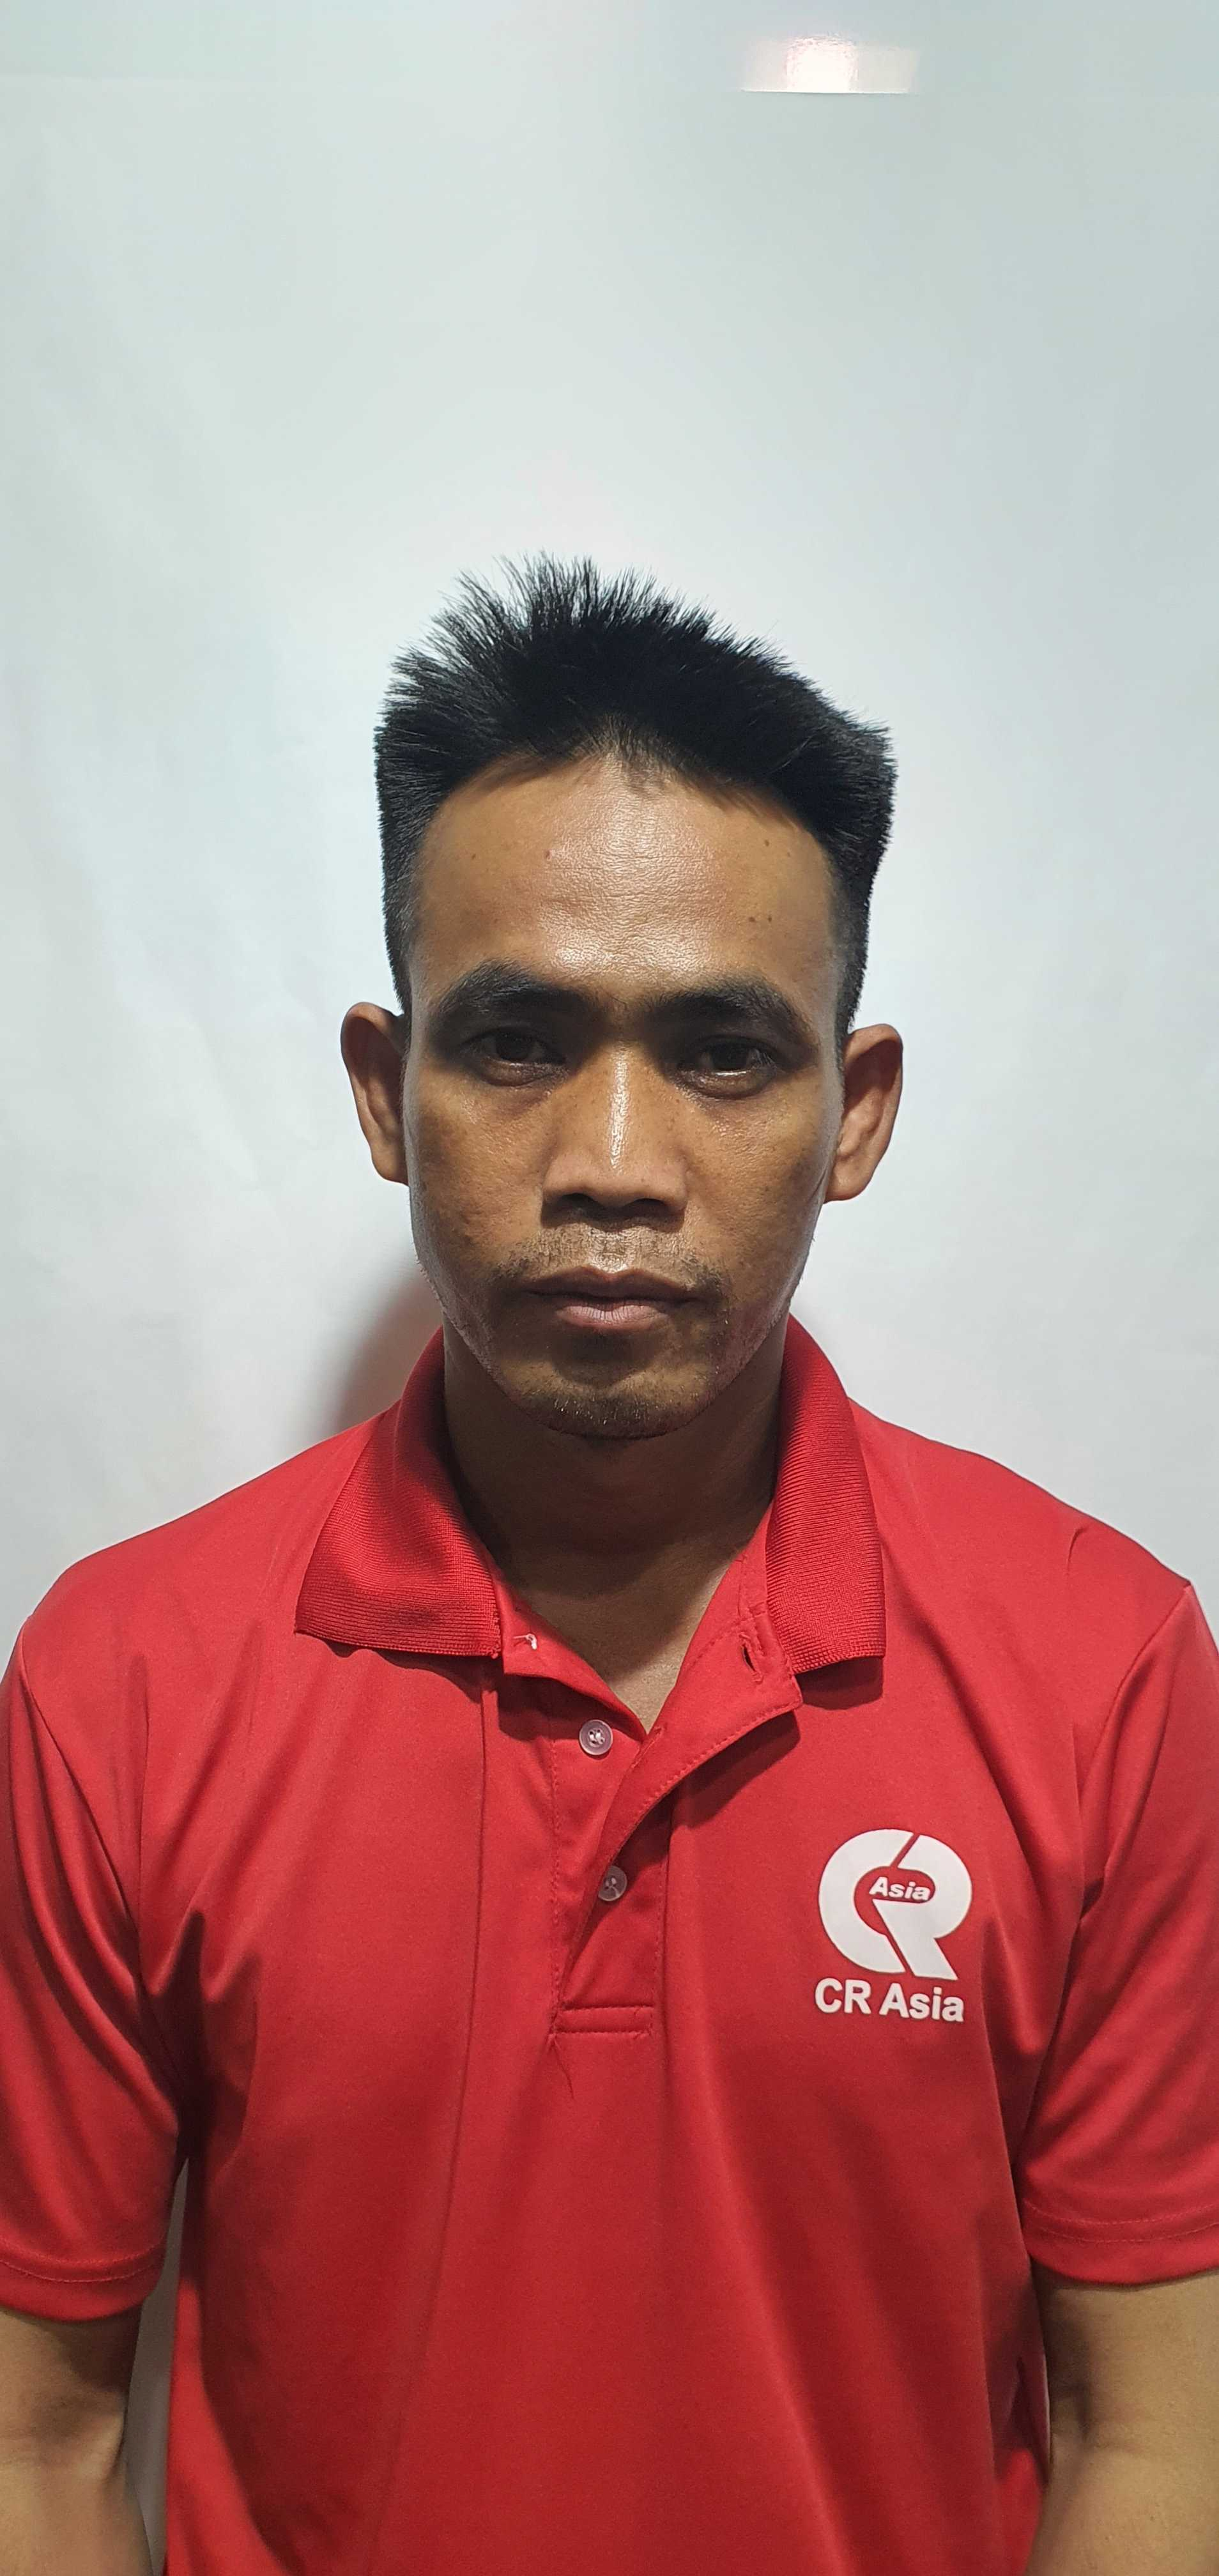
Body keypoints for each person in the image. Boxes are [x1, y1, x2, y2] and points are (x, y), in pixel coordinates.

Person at [1, 553, 1218, 2576]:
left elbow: (1153, 2433)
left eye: (724, 1051)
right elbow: (36, 2447)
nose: (614, 1161)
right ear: (385, 1094)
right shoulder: (123, 1679)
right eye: (517, 1041)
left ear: (855, 1110)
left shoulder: (1102, 1669)